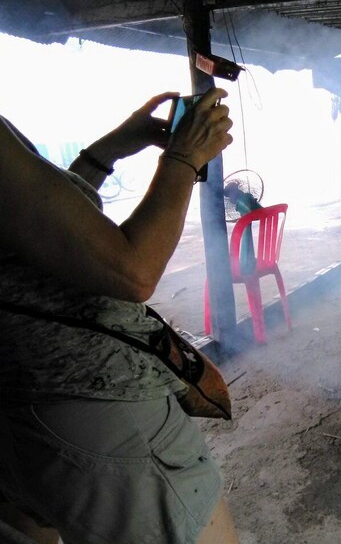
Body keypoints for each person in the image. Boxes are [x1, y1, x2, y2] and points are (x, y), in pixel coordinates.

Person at [0, 88, 239, 543]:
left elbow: (40, 228)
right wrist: (184, 158)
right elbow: (132, 271)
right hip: (95, 404)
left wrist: (106, 151)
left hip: (25, 399)